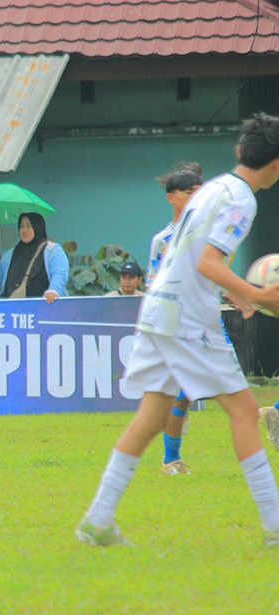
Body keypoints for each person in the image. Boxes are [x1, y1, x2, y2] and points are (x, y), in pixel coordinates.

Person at [77, 112, 279, 547]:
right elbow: (209, 261)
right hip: (188, 316)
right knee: (244, 412)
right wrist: (257, 294)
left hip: (158, 307)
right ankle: (275, 528)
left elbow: (189, 254)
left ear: (240, 152)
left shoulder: (213, 189)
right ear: (276, 164)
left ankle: (98, 520)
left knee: (151, 415)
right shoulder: (243, 200)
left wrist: (240, 294)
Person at [147, 164, 203, 475]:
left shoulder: (207, 233)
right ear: (172, 198)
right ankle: (171, 459)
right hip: (175, 323)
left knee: (232, 388)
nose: (197, 197)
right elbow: (152, 284)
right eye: (190, 192)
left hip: (206, 321)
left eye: (200, 192)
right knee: (183, 393)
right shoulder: (162, 240)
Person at [0, 212, 69, 302]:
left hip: (44, 307)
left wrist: (53, 291)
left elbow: (59, 274)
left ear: (38, 227)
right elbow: (1, 281)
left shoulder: (53, 250)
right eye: (21, 226)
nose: (24, 230)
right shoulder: (11, 254)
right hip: (14, 310)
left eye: (29, 226)